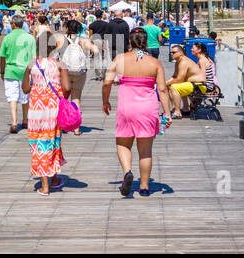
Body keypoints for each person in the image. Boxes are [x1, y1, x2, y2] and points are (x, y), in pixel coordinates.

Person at [102, 28, 171, 197]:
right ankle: (145, 187)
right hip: (147, 109)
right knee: (145, 151)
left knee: (123, 144)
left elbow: (106, 83)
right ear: (146, 43)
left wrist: (105, 101)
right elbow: (162, 90)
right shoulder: (155, 63)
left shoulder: (120, 59)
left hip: (126, 108)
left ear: (129, 43)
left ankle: (127, 172)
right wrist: (167, 113)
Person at [23, 32, 69, 195]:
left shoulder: (31, 65)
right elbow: (67, 88)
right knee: (53, 141)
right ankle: (54, 179)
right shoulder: (60, 64)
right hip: (54, 109)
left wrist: (37, 87)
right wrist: (62, 98)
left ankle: (46, 185)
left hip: (36, 110)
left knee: (39, 144)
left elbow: (25, 89)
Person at [0, 14, 35, 133]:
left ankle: (14, 123)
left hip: (11, 71)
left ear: (13, 24)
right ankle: (25, 121)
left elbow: (2, 57)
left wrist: (2, 71)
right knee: (25, 97)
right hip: (26, 71)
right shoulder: (30, 38)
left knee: (12, 97)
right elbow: (34, 57)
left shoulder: (7, 38)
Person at [58, 19, 94, 134]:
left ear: (67, 28)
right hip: (79, 72)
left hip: (65, 72)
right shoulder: (82, 40)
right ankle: (76, 128)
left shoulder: (61, 39)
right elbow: (94, 51)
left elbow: (54, 54)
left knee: (63, 98)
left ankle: (63, 125)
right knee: (76, 98)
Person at [166, 44, 206, 117]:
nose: (171, 54)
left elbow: (179, 79)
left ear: (180, 53)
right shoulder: (178, 62)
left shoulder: (184, 62)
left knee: (174, 87)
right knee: (170, 85)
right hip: (193, 84)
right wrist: (166, 83)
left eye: (173, 52)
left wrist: (165, 83)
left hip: (199, 85)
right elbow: (174, 76)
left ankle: (177, 113)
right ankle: (181, 108)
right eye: (170, 52)